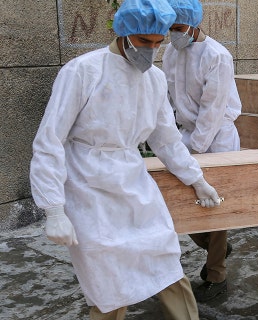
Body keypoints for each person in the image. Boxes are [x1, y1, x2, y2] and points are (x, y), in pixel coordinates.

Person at [29, 0, 222, 318]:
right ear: (124, 32)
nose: (152, 50)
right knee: (109, 281)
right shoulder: (83, 71)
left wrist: (196, 179)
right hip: (88, 186)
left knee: (165, 259)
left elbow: (166, 139)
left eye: (158, 43)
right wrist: (53, 208)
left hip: (133, 181)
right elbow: (50, 141)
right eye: (144, 42)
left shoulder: (155, 80)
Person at [163, 0, 241, 303]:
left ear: (195, 24)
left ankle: (216, 274)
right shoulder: (171, 51)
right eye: (169, 29)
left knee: (213, 207)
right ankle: (215, 247)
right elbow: (170, 98)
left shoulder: (217, 56)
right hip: (185, 135)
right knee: (182, 201)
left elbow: (212, 110)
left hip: (216, 137)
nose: (173, 34)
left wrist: (192, 153)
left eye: (178, 28)